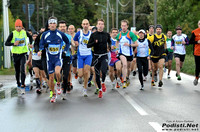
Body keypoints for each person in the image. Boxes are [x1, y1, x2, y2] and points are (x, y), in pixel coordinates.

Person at [38, 16, 70, 103]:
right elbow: (41, 44)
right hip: (49, 59)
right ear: (48, 25)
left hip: (58, 58)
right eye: (51, 23)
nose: (52, 25)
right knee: (51, 78)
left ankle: (59, 84)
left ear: (56, 24)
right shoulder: (45, 34)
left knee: (57, 72)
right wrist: (40, 50)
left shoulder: (60, 34)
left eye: (54, 23)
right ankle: (53, 93)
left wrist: (65, 50)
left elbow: (67, 42)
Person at [5, 19, 33, 96]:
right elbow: (6, 43)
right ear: (15, 27)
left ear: (22, 26)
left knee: (22, 69)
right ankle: (18, 82)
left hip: (23, 54)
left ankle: (23, 84)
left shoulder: (24, 33)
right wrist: (13, 43)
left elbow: (30, 37)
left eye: (19, 26)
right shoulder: (12, 33)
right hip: (15, 54)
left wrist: (30, 43)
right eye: (17, 26)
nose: (18, 28)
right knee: (17, 70)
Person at [88, 19, 111, 98]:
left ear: (104, 26)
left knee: (104, 71)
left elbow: (109, 41)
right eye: (99, 24)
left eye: (102, 24)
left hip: (104, 55)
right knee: (97, 74)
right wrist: (95, 42)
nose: (100, 25)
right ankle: (100, 90)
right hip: (96, 56)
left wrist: (109, 47)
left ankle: (103, 82)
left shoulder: (106, 34)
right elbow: (88, 45)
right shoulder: (93, 35)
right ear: (97, 25)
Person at [115, 19, 138, 88]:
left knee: (128, 68)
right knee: (124, 65)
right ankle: (124, 81)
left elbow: (136, 44)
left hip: (129, 53)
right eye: (122, 26)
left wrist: (129, 45)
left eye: (125, 26)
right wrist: (117, 49)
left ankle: (127, 77)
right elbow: (117, 42)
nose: (123, 27)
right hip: (122, 53)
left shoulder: (130, 34)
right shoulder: (119, 34)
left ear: (127, 26)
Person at [74, 19, 92, 97]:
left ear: (89, 25)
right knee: (81, 74)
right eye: (84, 24)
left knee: (86, 72)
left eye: (86, 24)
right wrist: (76, 43)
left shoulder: (91, 34)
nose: (85, 25)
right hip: (80, 55)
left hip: (88, 54)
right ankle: (80, 77)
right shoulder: (79, 33)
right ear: (82, 25)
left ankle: (85, 89)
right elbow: (74, 40)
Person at [58, 20, 74, 99]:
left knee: (66, 74)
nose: (62, 28)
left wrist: (75, 45)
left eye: (64, 26)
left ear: (66, 27)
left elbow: (73, 44)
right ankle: (59, 84)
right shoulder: (56, 35)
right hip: (57, 57)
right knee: (58, 74)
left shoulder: (68, 37)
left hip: (67, 57)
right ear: (58, 27)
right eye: (61, 27)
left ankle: (64, 91)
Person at [190, 20, 200, 86]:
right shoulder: (195, 32)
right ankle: (196, 77)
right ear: (198, 24)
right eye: (199, 24)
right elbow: (190, 41)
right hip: (197, 52)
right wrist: (197, 42)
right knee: (198, 66)